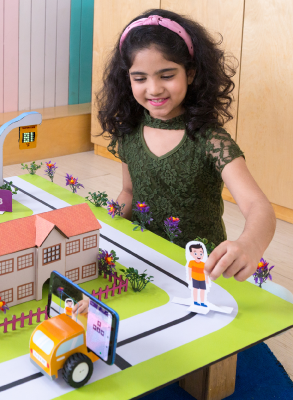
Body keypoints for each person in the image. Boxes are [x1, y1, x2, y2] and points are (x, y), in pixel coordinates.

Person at [97, 9, 276, 282]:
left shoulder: (210, 140)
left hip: (202, 268)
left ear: (190, 74)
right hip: (144, 259)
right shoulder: (129, 132)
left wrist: (250, 245)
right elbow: (129, 192)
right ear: (127, 79)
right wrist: (104, 228)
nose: (154, 89)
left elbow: (257, 206)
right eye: (140, 78)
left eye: (166, 75)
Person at [186, 242, 210, 306]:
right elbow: (189, 269)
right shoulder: (191, 262)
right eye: (195, 253)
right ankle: (195, 301)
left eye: (201, 253)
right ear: (191, 254)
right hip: (195, 278)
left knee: (202, 290)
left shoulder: (203, 264)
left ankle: (202, 302)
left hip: (202, 279)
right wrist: (189, 277)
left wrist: (207, 279)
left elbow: (206, 272)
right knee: (195, 289)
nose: (199, 255)